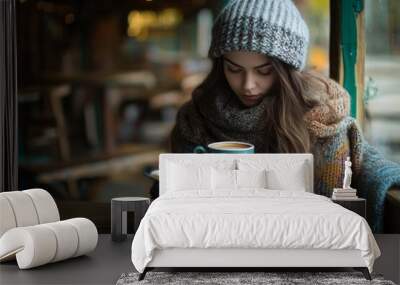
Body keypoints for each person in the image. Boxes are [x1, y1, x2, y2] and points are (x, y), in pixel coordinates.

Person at [169, 0, 400, 233]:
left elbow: (337, 212)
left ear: (287, 70)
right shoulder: (195, 119)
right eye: (234, 69)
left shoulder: (320, 119)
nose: (248, 85)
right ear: (220, 66)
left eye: (264, 71)